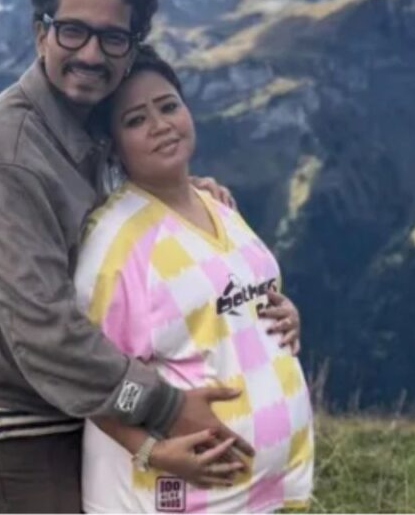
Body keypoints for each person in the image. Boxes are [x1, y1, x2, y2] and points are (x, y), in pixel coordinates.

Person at [0, 0, 300, 512]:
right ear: (41, 33)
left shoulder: (93, 123)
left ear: (131, 48)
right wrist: (167, 408)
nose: (91, 54)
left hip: (88, 404)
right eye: (73, 31)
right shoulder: (8, 157)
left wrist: (188, 213)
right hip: (17, 423)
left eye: (112, 38)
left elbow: (127, 252)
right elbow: (43, 332)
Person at [74, 46, 314, 513]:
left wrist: (283, 315)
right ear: (113, 145)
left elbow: (228, 302)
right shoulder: (114, 242)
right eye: (135, 120)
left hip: (256, 493)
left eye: (168, 106)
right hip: (171, 496)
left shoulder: (216, 204)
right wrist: (151, 450)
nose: (160, 124)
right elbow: (86, 375)